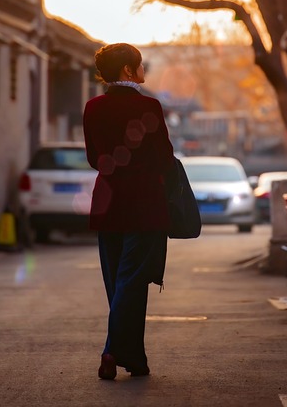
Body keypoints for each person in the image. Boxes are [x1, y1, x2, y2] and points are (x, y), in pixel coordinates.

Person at [83, 43, 175, 380]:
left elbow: (95, 157)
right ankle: (111, 351)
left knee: (118, 284)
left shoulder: (93, 107)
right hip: (144, 206)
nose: (143, 71)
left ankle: (134, 358)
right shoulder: (149, 106)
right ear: (127, 70)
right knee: (131, 283)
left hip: (108, 205)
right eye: (139, 65)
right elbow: (164, 157)